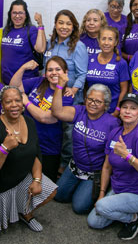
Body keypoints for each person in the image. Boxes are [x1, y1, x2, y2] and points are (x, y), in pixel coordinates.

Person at [0, 86, 57, 232]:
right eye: (8, 101)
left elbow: (35, 152)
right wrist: (4, 148)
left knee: (51, 190)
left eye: (17, 100)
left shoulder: (29, 122)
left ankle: (25, 213)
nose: (14, 105)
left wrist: (37, 180)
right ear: (2, 105)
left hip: (20, 176)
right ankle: (13, 208)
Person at [87, 93, 138, 241]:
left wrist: (127, 156)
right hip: (119, 189)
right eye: (124, 107)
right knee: (94, 222)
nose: (127, 111)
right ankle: (120, 210)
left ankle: (135, 219)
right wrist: (102, 193)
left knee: (102, 207)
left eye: (133, 108)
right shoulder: (115, 133)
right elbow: (106, 167)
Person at [52, 76, 120, 214]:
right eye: (90, 99)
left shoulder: (112, 124)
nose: (93, 103)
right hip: (75, 167)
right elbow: (57, 111)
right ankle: (79, 187)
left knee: (79, 207)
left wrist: (101, 192)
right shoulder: (80, 111)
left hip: (94, 173)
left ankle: (96, 188)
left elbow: (110, 161)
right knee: (58, 196)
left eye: (98, 101)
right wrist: (60, 87)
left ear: (106, 105)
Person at [10, 57, 73, 181]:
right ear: (45, 73)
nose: (53, 73)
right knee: (21, 180)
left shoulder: (66, 96)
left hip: (48, 147)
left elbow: (46, 118)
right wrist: (23, 68)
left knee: (45, 187)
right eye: (50, 70)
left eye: (58, 69)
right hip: (26, 141)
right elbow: (14, 87)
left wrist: (26, 102)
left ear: (65, 73)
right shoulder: (39, 81)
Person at [43, 9, 88, 104]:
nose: (64, 27)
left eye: (68, 24)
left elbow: (82, 74)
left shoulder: (78, 46)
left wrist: (73, 90)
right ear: (55, 25)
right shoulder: (49, 43)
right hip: (48, 94)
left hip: (68, 97)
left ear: (73, 27)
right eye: (61, 23)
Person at [86, 26, 130, 116]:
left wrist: (117, 110)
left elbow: (124, 90)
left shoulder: (121, 63)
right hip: (91, 110)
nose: (106, 43)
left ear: (115, 42)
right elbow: (85, 86)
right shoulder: (90, 59)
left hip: (111, 112)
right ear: (98, 41)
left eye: (110, 39)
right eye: (103, 39)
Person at [0, 0, 46, 84]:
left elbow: (40, 49)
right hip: (7, 82)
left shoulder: (31, 30)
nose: (17, 16)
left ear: (26, 15)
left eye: (20, 13)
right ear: (10, 14)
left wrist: (40, 24)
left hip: (24, 82)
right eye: (14, 13)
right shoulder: (6, 31)